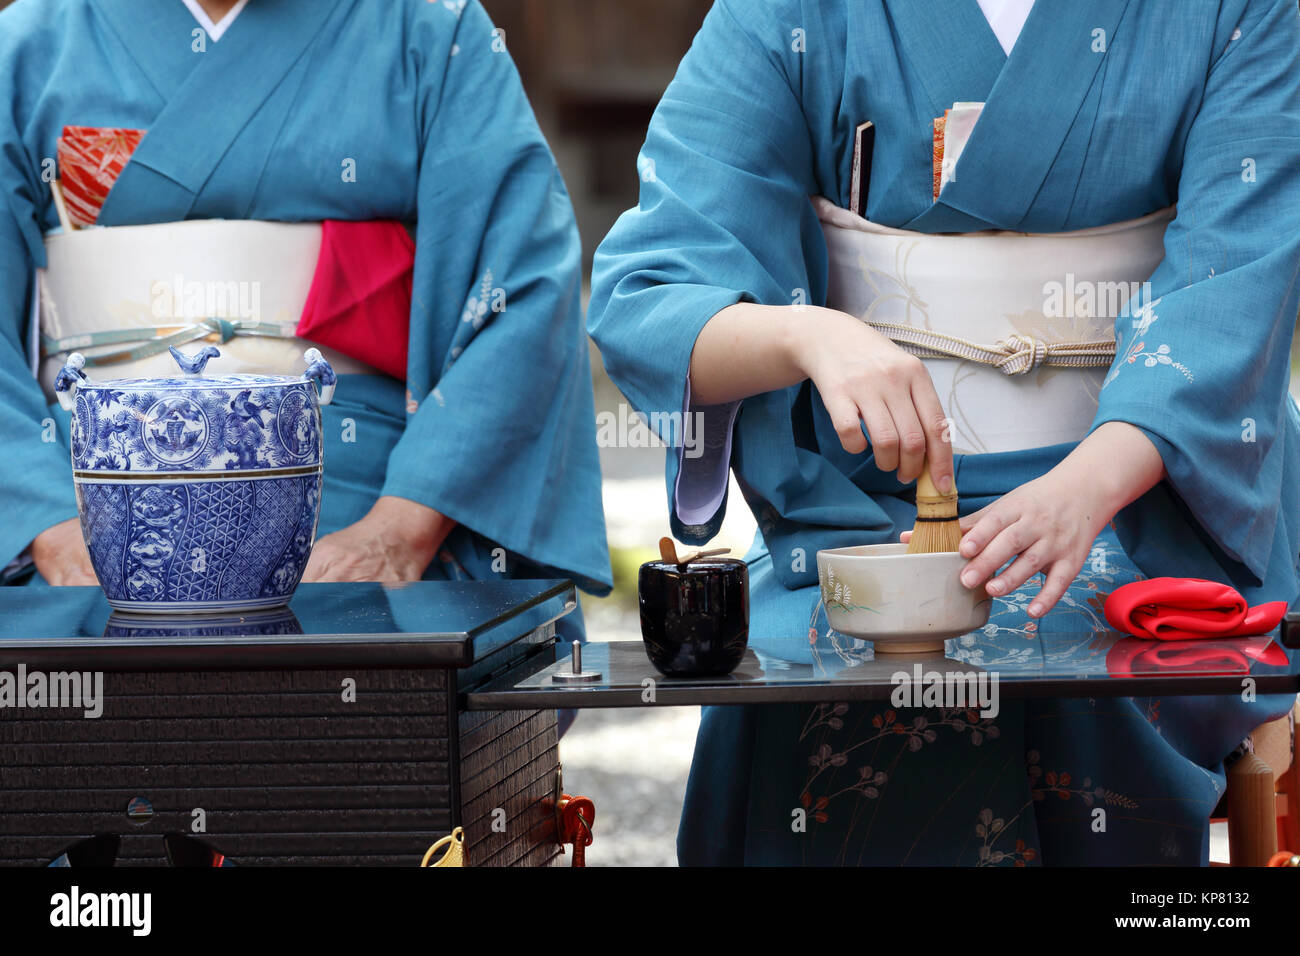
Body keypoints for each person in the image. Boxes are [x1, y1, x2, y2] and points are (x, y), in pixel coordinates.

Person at [589, 0, 1300, 864]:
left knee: (1077, 666)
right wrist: (809, 336)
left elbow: (1236, 276)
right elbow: (650, 293)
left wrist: (1089, 487)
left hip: (1145, 494)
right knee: (806, 685)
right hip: (862, 511)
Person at [0, 0, 612, 634]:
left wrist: (402, 530)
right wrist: (47, 528)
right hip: (95, 503)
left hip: (363, 500)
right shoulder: (28, 46)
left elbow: (522, 290)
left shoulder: (430, 29)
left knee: (405, 680)